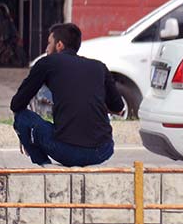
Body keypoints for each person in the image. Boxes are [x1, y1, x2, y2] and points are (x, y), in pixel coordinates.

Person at [9, 22, 122, 167]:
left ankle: (44, 165)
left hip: (67, 152)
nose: (46, 48)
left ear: (59, 45)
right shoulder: (99, 66)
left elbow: (16, 104)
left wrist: (26, 136)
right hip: (103, 151)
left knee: (22, 117)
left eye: (49, 43)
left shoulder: (47, 62)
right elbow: (118, 107)